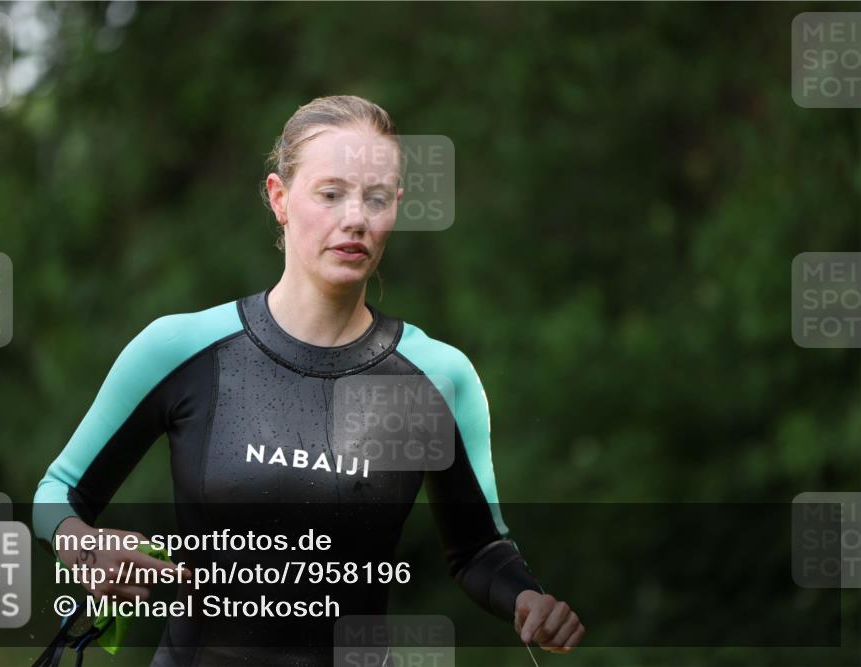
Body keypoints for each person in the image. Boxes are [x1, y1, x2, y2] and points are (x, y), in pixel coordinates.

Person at [33, 95, 584, 666]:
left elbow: (478, 549)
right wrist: (88, 546)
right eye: (331, 193)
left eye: (375, 199)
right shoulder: (184, 350)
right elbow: (57, 494)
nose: (355, 219)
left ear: (395, 206)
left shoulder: (433, 378)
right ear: (280, 199)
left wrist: (528, 599)